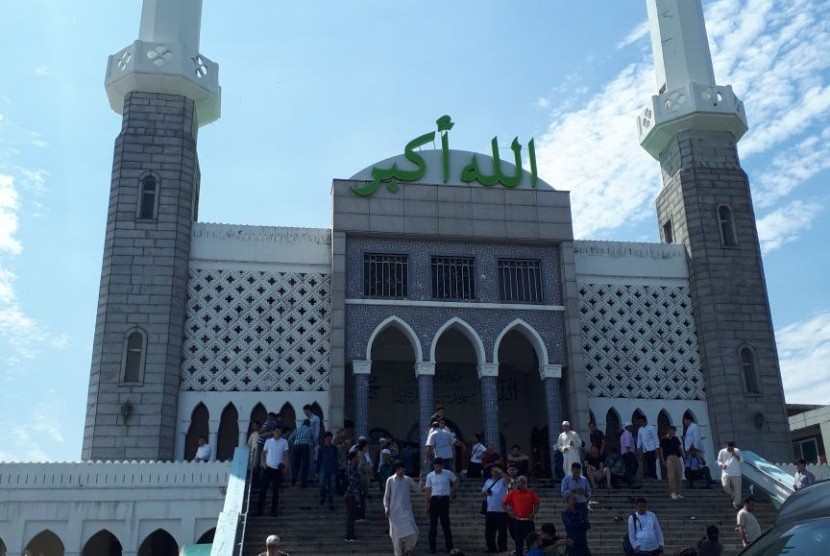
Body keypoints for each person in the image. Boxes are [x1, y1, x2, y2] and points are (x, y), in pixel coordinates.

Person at [384, 460, 419, 556]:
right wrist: (386, 508)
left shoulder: (408, 479)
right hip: (394, 513)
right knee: (396, 538)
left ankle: (408, 549)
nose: (404, 470)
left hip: (406, 511)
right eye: (402, 468)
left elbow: (417, 489)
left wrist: (422, 480)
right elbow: (386, 496)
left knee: (414, 532)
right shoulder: (390, 480)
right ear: (398, 469)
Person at [423, 457, 458, 554]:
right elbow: (427, 490)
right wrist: (426, 505)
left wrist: (452, 493)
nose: (438, 468)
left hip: (444, 499)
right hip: (434, 500)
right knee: (433, 525)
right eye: (437, 466)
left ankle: (449, 546)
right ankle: (432, 547)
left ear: (442, 466)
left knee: (446, 524)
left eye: (440, 466)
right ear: (434, 466)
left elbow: (455, 481)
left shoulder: (447, 473)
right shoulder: (430, 475)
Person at [502, 475, 541, 556]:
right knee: (518, 543)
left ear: (524, 483)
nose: (519, 483)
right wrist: (509, 513)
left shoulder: (530, 492)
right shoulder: (513, 493)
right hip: (517, 521)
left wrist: (534, 513)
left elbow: (537, 503)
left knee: (531, 542)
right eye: (518, 481)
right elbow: (503, 503)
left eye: (521, 481)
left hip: (529, 521)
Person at [258, 427, 288, 517]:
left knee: (275, 491)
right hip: (268, 469)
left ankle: (273, 511)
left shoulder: (284, 442)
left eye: (279, 431)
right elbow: (263, 453)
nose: (278, 433)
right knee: (263, 490)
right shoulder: (268, 441)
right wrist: (263, 463)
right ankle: (259, 511)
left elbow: (286, 455)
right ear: (274, 432)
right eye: (276, 431)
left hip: (278, 470)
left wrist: (286, 466)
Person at [482, 465, 510, 554]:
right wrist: (486, 493)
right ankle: (491, 548)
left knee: (502, 532)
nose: (494, 473)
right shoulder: (488, 481)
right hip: (490, 510)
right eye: (493, 471)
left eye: (496, 471)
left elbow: (508, 480)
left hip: (501, 511)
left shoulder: (502, 481)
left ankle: (502, 548)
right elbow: (483, 492)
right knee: (489, 532)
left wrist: (500, 471)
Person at [288, 418, 315, 488]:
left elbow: (290, 438)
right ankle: (303, 483)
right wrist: (313, 445)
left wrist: (293, 445)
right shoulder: (310, 429)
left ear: (303, 424)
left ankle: (293, 480)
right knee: (305, 465)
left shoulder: (298, 429)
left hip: (296, 446)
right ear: (309, 424)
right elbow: (315, 441)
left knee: (296, 464)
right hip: (305, 446)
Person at [659, 426, 684, 500]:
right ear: (668, 431)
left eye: (674, 431)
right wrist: (663, 460)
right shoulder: (664, 439)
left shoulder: (675, 439)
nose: (673, 432)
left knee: (679, 474)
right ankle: (672, 492)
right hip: (669, 457)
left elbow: (679, 448)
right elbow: (661, 450)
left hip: (676, 457)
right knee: (671, 475)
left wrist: (683, 456)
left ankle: (678, 492)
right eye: (672, 431)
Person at [344, 450, 363, 542]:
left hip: (351, 494)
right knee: (350, 516)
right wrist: (356, 494)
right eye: (356, 457)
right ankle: (349, 535)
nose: (357, 458)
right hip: (351, 494)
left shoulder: (352, 468)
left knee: (352, 516)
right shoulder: (350, 468)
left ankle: (351, 534)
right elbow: (353, 483)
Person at [716, 441, 742, 509]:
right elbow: (719, 461)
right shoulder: (722, 451)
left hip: (736, 473)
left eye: (731, 448)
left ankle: (736, 503)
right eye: (728, 448)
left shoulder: (737, 451)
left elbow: (741, 460)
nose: (730, 449)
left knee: (738, 489)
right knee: (725, 486)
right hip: (726, 472)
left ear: (733, 447)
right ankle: (733, 494)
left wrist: (735, 454)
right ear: (726, 446)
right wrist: (722, 465)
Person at [316, 431, 338, 509]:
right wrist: (317, 470)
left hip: (332, 470)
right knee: (322, 485)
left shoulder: (334, 448)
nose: (329, 440)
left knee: (332, 486)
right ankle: (323, 496)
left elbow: (336, 459)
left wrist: (337, 469)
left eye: (330, 438)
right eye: (327, 438)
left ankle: (331, 500)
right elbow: (318, 459)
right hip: (323, 469)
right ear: (324, 439)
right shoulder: (321, 448)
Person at [636, 416, 659, 480]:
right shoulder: (640, 429)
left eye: (641, 422)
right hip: (645, 450)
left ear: (645, 421)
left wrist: (657, 449)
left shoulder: (651, 428)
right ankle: (651, 476)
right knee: (648, 463)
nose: (640, 423)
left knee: (652, 463)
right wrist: (638, 448)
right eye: (639, 422)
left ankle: (654, 477)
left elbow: (655, 438)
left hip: (652, 449)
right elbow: (639, 440)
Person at [620, 422, 639, 487]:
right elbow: (627, 444)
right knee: (634, 465)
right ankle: (630, 480)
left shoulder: (624, 434)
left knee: (628, 467)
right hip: (628, 453)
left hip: (626, 453)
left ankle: (628, 480)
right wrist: (628, 452)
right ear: (628, 427)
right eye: (631, 426)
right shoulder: (627, 433)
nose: (632, 427)